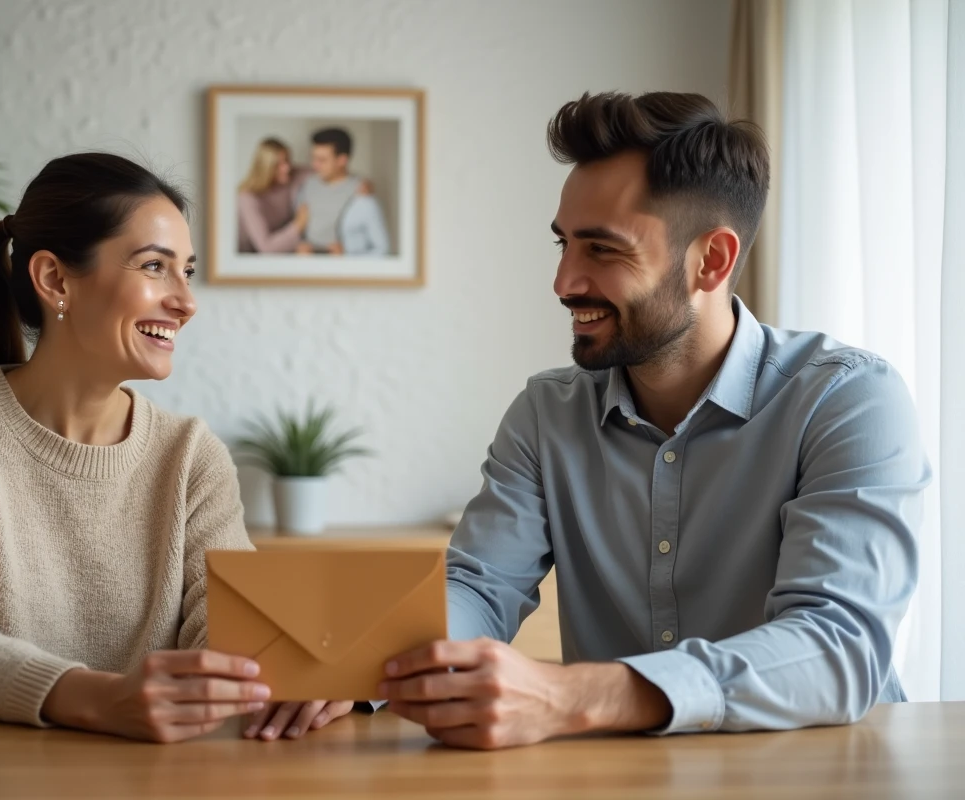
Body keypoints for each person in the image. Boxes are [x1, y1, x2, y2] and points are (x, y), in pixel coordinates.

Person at [378, 92, 931, 749]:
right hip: (621, 778)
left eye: (601, 251)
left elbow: (838, 647)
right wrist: (362, 673)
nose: (564, 281)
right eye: (563, 245)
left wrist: (570, 694)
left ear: (712, 262)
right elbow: (479, 587)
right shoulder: (545, 414)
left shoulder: (848, 400)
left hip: (821, 773)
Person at [0, 152, 353, 743]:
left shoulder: (191, 456)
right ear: (54, 280)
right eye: (155, 266)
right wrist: (99, 699)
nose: (186, 301)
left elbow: (229, 629)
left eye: (188, 271)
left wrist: (305, 667)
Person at [295, 127, 390, 256]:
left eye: (322, 160)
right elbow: (298, 226)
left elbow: (381, 249)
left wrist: (347, 253)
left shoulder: (361, 191)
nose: (314, 165)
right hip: (309, 263)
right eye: (313, 158)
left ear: (342, 160)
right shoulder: (308, 185)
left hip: (343, 267)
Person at [237, 138, 309, 254]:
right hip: (246, 255)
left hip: (276, 253)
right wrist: (299, 224)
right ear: (265, 168)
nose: (286, 168)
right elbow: (266, 247)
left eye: (287, 160)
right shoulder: (248, 197)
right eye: (278, 164)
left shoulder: (292, 176)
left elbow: (322, 172)